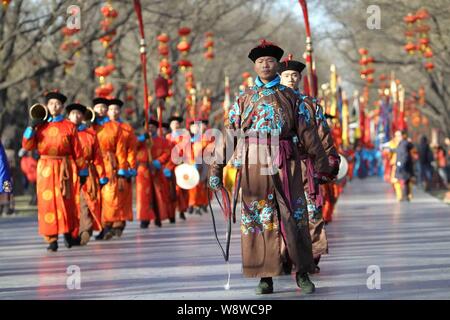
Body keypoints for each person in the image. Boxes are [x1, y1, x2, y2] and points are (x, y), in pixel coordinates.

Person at [208, 40, 332, 295]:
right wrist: (215, 170)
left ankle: (303, 272)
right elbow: (229, 135)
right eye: (260, 61)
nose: (265, 64)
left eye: (270, 60)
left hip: (287, 163)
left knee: (294, 217)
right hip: (254, 164)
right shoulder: (243, 100)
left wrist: (322, 166)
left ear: (277, 64)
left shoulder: (292, 98)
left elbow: (309, 134)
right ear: (255, 66)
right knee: (258, 218)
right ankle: (265, 276)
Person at [279, 56, 340, 271]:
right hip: (280, 165)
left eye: (295, 75)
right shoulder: (270, 102)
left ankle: (311, 257)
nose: (291, 79)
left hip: (306, 166)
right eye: (287, 75)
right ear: (279, 76)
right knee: (281, 213)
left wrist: (329, 160)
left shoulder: (311, 104)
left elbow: (323, 135)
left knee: (310, 210)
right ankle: (283, 257)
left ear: (300, 78)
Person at [22, 91, 88, 251]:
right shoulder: (40, 126)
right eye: (51, 103)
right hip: (45, 167)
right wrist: (31, 126)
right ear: (47, 106)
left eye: (57, 104)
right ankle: (51, 239)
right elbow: (27, 146)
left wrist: (83, 171)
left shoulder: (70, 126)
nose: (54, 106)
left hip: (65, 167)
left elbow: (77, 150)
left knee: (66, 202)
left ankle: (67, 233)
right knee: (47, 204)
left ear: (62, 107)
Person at [66, 103, 108, 246]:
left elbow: (97, 157)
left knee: (85, 202)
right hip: (68, 172)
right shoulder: (63, 132)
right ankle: (71, 233)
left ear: (83, 116)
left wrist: (102, 176)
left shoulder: (91, 134)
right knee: (71, 204)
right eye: (73, 113)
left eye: (79, 114)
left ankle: (85, 231)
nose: (76, 116)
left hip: (88, 173)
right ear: (68, 116)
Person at [91, 97, 128, 240]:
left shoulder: (114, 127)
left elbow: (121, 149)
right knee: (95, 197)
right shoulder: (89, 125)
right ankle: (96, 226)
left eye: (103, 107)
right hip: (92, 164)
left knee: (109, 197)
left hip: (109, 164)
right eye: (98, 107)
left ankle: (107, 227)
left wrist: (122, 168)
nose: (100, 110)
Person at [107, 98, 137, 236]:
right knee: (109, 196)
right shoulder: (102, 127)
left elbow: (131, 148)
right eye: (111, 109)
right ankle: (108, 223)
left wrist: (131, 165)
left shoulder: (127, 128)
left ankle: (119, 224)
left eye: (116, 109)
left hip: (123, 164)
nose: (114, 112)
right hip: (107, 165)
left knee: (122, 195)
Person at [166, 115, 189, 221]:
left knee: (180, 188)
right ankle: (171, 212)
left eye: (177, 123)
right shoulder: (167, 137)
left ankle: (182, 209)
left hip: (180, 164)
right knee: (170, 189)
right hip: (169, 166)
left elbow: (187, 151)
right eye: (173, 123)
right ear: (170, 126)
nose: (175, 125)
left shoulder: (183, 137)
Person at [395, 131, 415, 201]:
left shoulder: (403, 144)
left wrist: (401, 164)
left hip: (404, 166)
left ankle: (404, 196)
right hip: (405, 166)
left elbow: (404, 155)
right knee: (406, 181)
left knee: (404, 181)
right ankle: (406, 195)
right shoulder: (403, 143)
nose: (396, 137)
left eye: (397, 136)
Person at [0, 141, 13, 213]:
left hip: (4, 173)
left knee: (6, 185)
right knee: (6, 185)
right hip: (4, 173)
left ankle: (6, 207)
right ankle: (6, 207)